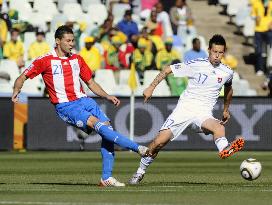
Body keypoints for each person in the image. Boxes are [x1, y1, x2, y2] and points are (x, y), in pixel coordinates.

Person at [11, 25, 148, 187]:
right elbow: (22, 76)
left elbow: (90, 82)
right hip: (66, 105)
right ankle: (139, 149)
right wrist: (16, 90)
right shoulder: (45, 60)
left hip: (85, 100)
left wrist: (107, 96)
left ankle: (106, 177)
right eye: (68, 41)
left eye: (73, 41)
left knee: (107, 130)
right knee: (98, 126)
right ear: (57, 41)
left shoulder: (77, 59)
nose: (71, 44)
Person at [128, 34, 245, 185]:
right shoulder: (196, 64)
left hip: (203, 113)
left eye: (220, 52)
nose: (217, 56)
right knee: (158, 143)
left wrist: (226, 109)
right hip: (184, 109)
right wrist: (151, 87)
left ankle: (224, 149)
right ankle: (139, 172)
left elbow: (229, 90)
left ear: (224, 52)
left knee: (219, 128)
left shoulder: (227, 72)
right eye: (214, 52)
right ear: (208, 50)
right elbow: (168, 69)